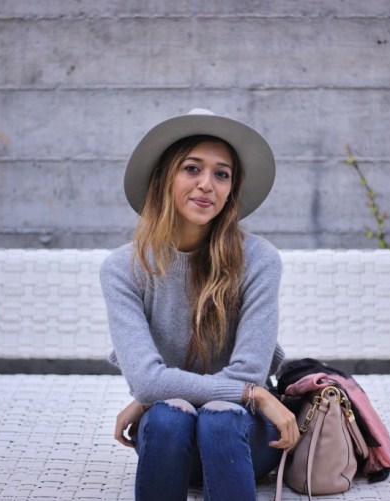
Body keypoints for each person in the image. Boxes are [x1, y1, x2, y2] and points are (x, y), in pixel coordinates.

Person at [100, 108, 299, 501]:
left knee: (218, 418)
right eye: (192, 169)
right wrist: (254, 394)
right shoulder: (123, 269)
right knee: (170, 415)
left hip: (242, 435)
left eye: (221, 174)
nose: (207, 184)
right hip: (169, 435)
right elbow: (147, 381)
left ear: (230, 190)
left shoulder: (259, 259)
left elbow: (250, 372)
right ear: (164, 178)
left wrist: (249, 395)